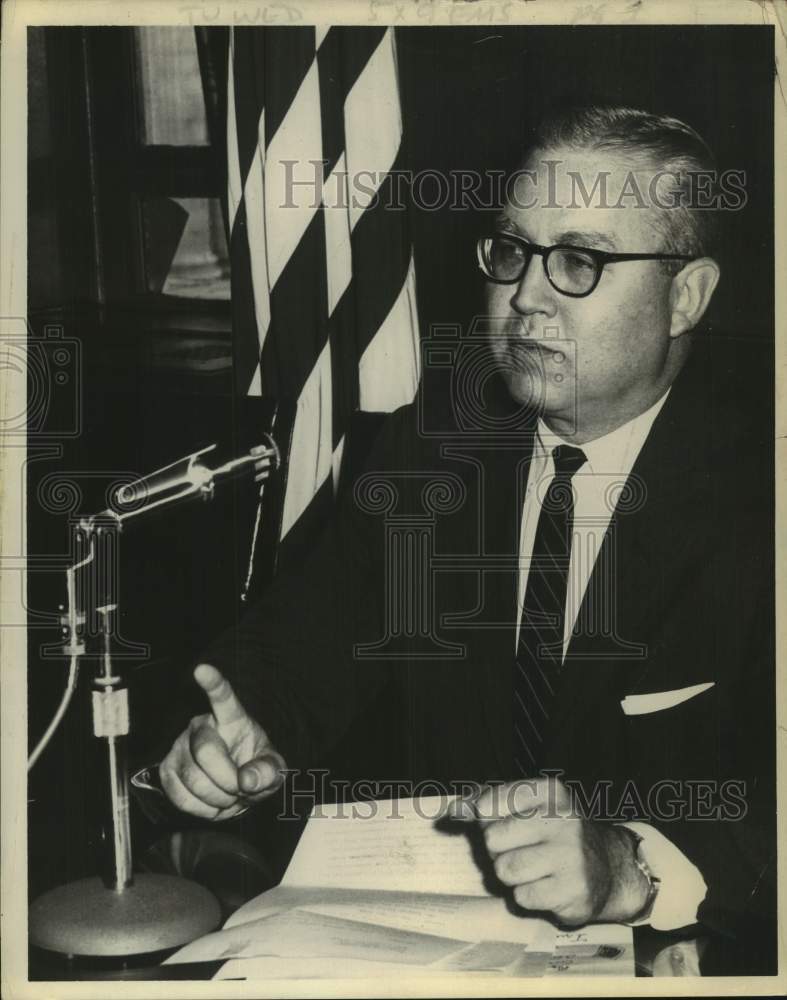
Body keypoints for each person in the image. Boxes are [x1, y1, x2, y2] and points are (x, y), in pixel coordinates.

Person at [159, 106, 775, 969]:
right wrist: (243, 734)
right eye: (512, 251)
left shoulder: (761, 490)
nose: (524, 295)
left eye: (579, 261)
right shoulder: (437, 443)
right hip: (439, 945)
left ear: (685, 296)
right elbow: (312, 640)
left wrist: (635, 863)